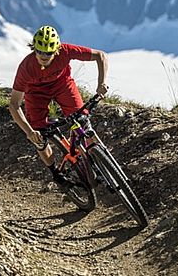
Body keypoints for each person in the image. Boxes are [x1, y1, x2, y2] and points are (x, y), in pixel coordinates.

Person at [9, 25, 109, 185]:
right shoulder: (26, 67)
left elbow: (100, 56)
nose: (43, 55)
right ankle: (55, 172)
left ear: (56, 50)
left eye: (48, 53)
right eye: (39, 51)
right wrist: (29, 131)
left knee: (82, 120)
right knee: (39, 137)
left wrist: (101, 83)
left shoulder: (66, 51)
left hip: (62, 84)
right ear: (34, 48)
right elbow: (14, 105)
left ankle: (95, 160)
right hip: (35, 93)